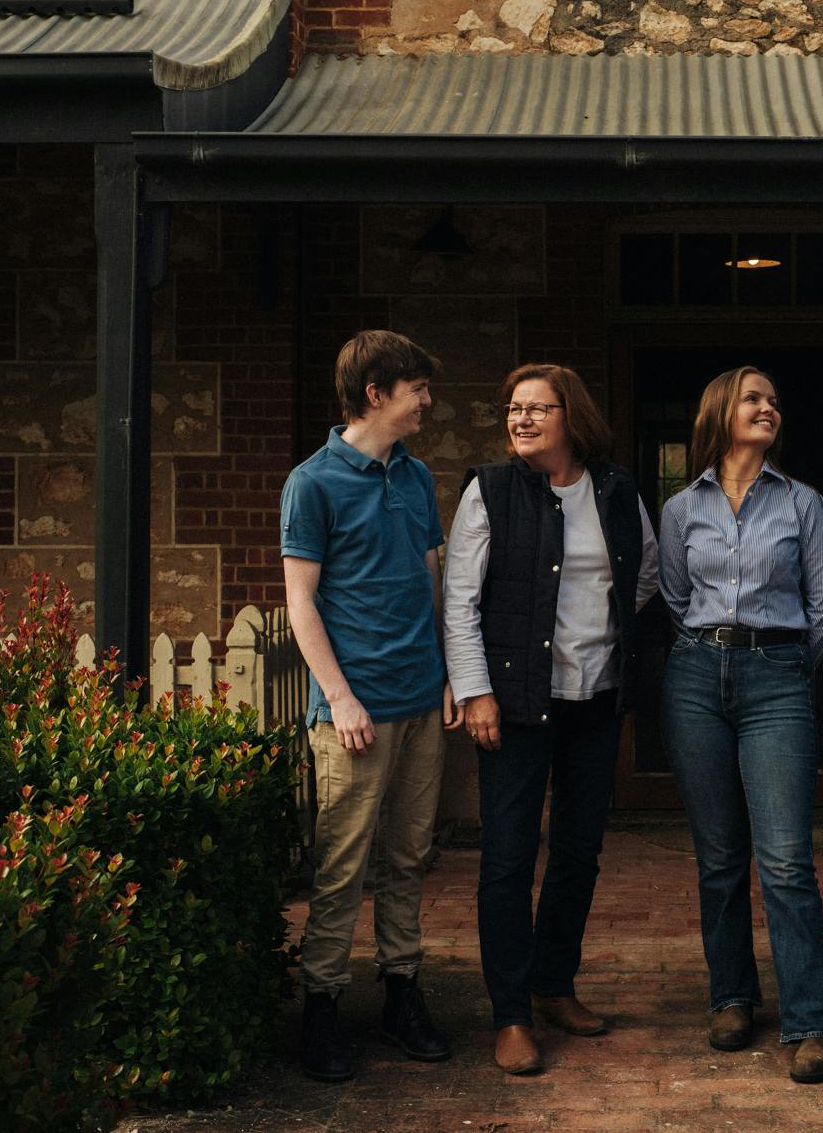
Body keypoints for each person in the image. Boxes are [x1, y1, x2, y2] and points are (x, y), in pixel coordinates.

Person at [442, 363, 660, 1076]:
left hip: (594, 699)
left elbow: (646, 574)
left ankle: (553, 984)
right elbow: (460, 601)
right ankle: (509, 1015)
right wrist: (475, 691)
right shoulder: (491, 491)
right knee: (507, 858)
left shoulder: (616, 489)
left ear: (574, 417)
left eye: (538, 408)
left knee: (578, 850)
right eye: (513, 409)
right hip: (512, 704)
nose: (522, 419)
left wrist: (606, 636)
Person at [657, 366, 823, 1084]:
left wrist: (783, 665)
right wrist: (714, 651)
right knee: (719, 857)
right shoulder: (681, 510)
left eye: (774, 399)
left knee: (788, 859)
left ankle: (813, 1021)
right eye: (753, 398)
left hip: (777, 679)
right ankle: (731, 996)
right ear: (720, 413)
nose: (769, 407)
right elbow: (677, 597)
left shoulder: (803, 503)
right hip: (697, 676)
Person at [280, 328, 456, 1082]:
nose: (427, 401)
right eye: (416, 388)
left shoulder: (415, 478)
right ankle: (320, 1007)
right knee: (343, 866)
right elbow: (300, 602)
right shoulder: (312, 483)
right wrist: (340, 697)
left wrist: (448, 671)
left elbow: (430, 579)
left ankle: (401, 992)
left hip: (421, 700)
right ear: (376, 393)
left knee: (411, 855)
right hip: (356, 713)